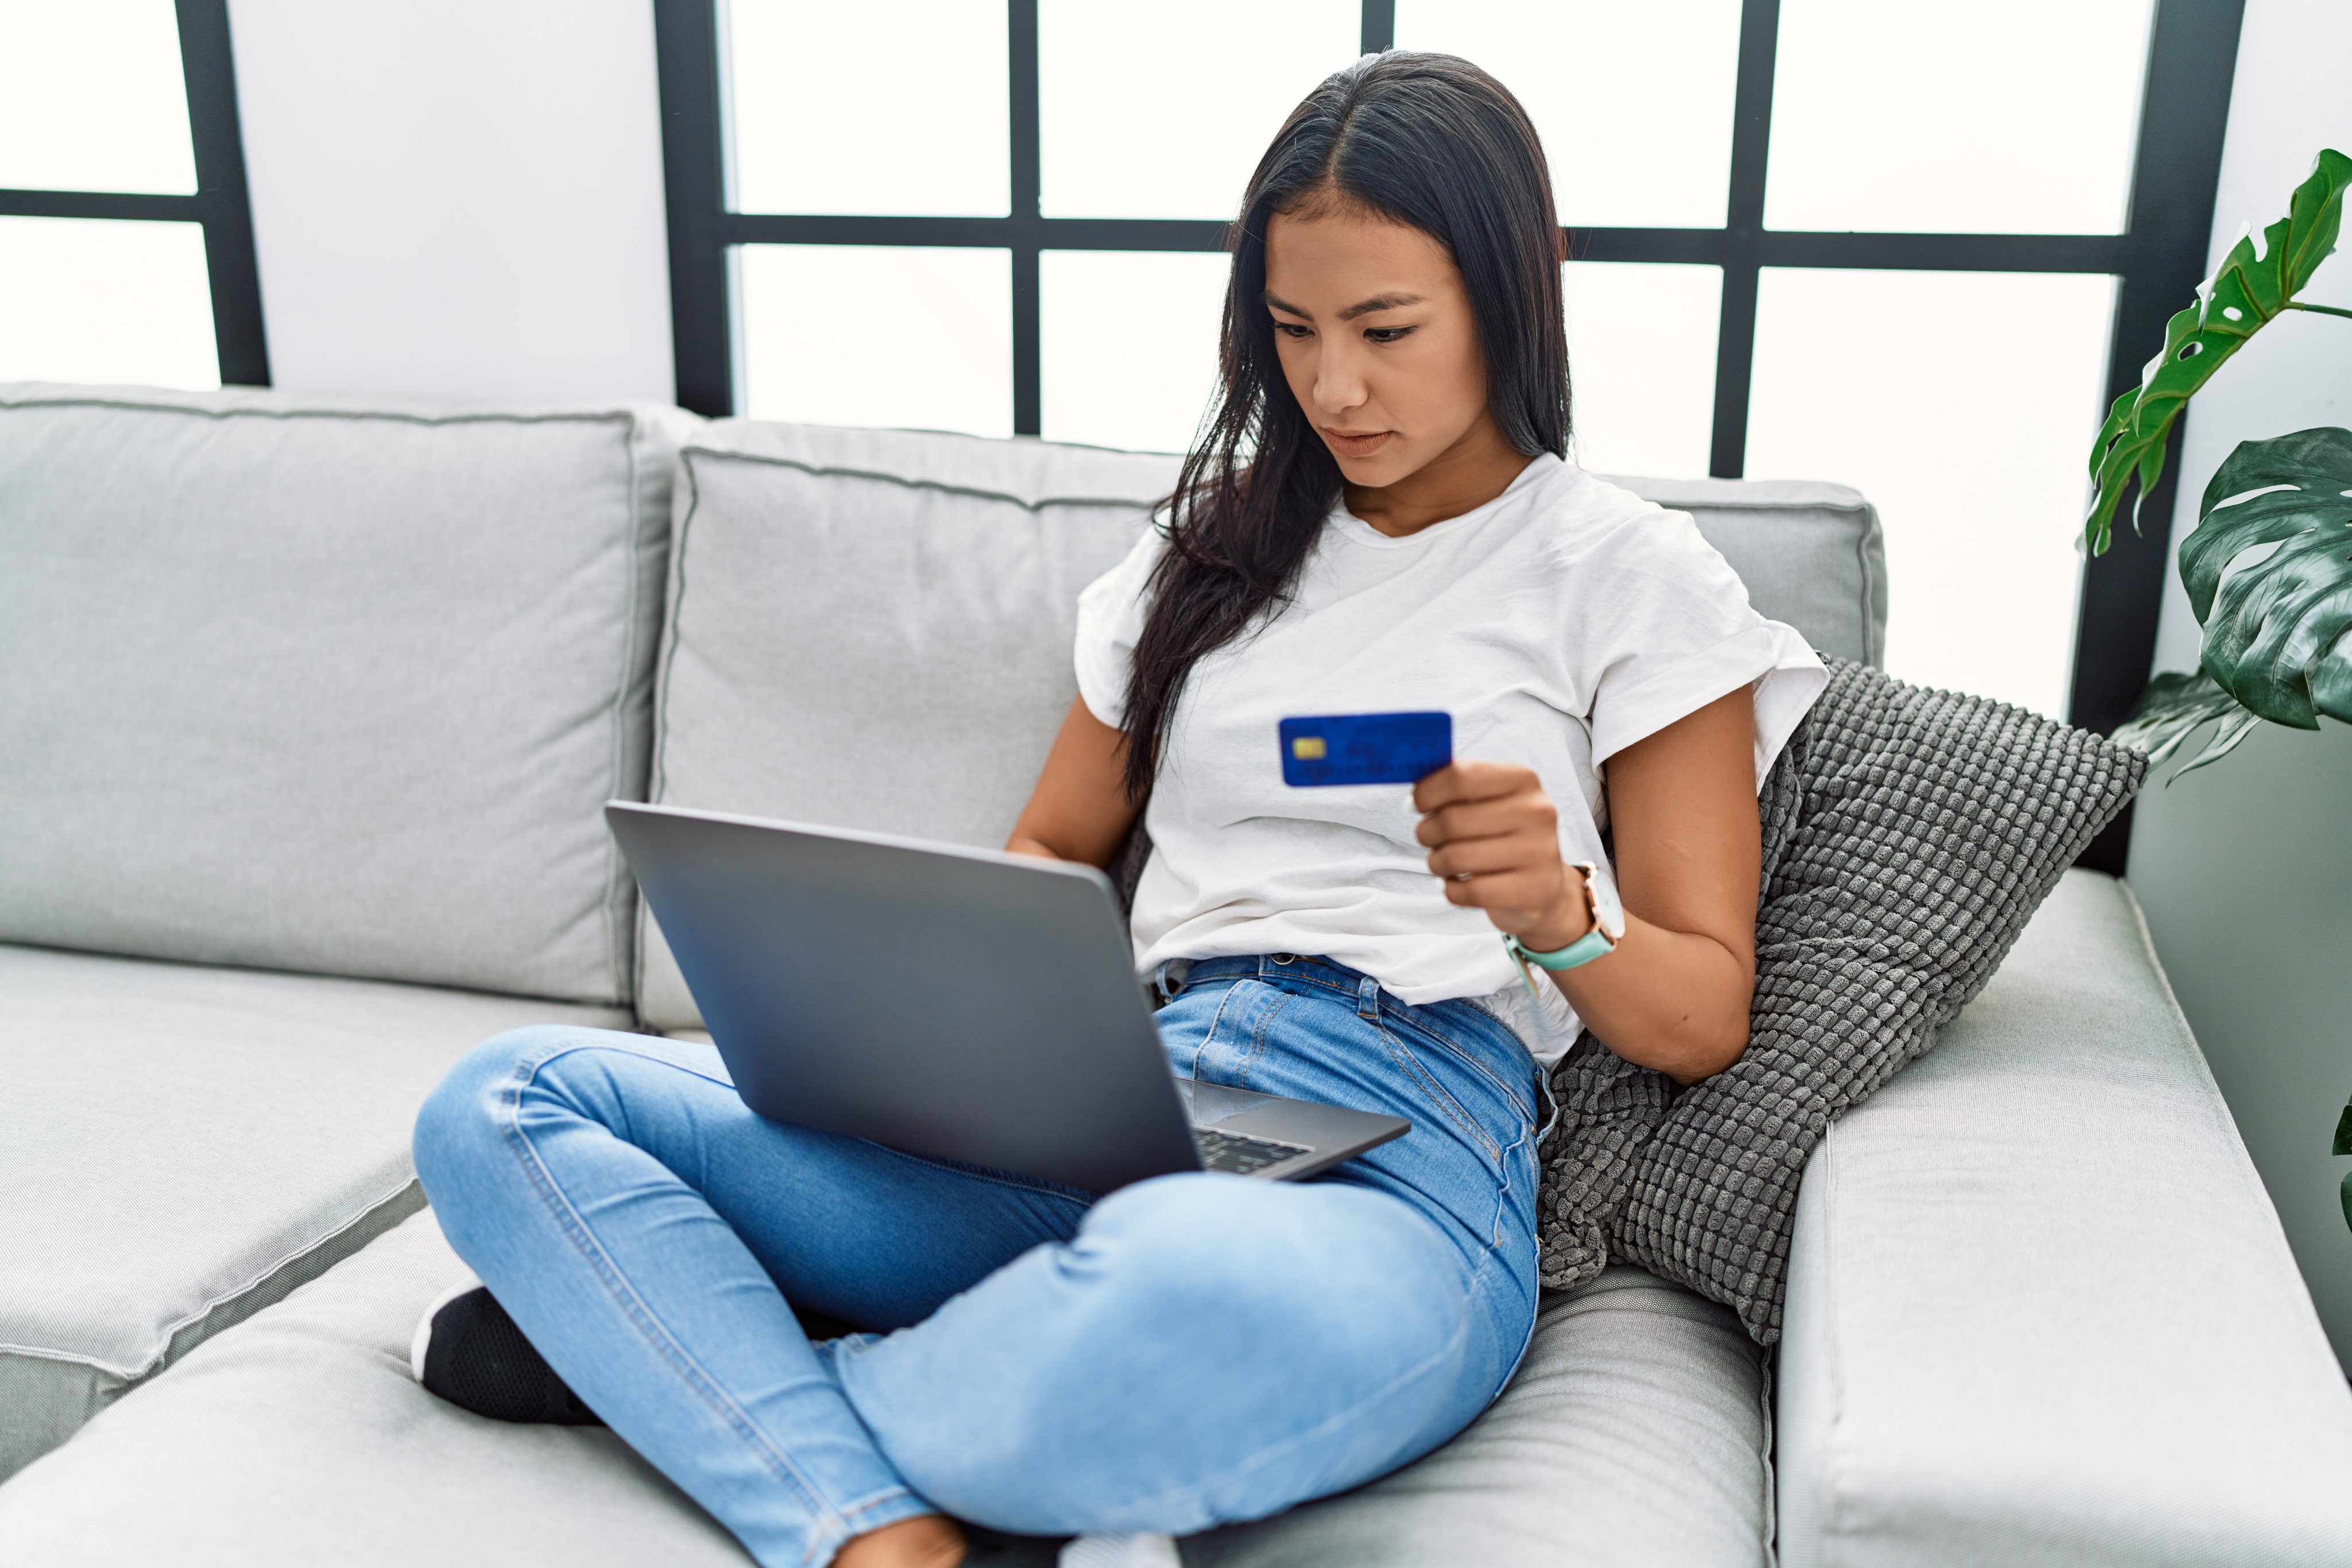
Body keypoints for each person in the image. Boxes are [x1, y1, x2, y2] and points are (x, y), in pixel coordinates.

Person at [409, 51, 1823, 1568]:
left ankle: (700, 1367)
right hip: (1105, 1102)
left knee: (1175, 1281)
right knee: (501, 1101)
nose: (1333, 385)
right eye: (1292, 331)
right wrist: (972, 1029)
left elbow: (1704, 1015)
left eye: (1385, 329)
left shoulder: (1630, 576)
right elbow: (1048, 853)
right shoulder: (1204, 560)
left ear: (1513, 289)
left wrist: (1565, 918)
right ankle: (877, 1518)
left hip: (1400, 1153)